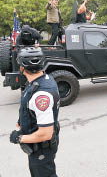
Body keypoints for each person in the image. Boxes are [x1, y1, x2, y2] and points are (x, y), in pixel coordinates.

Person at [9, 47, 60, 177]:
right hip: (39, 146)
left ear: (22, 67)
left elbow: (45, 134)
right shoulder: (43, 79)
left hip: (41, 149)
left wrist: (19, 138)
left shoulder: (40, 95)